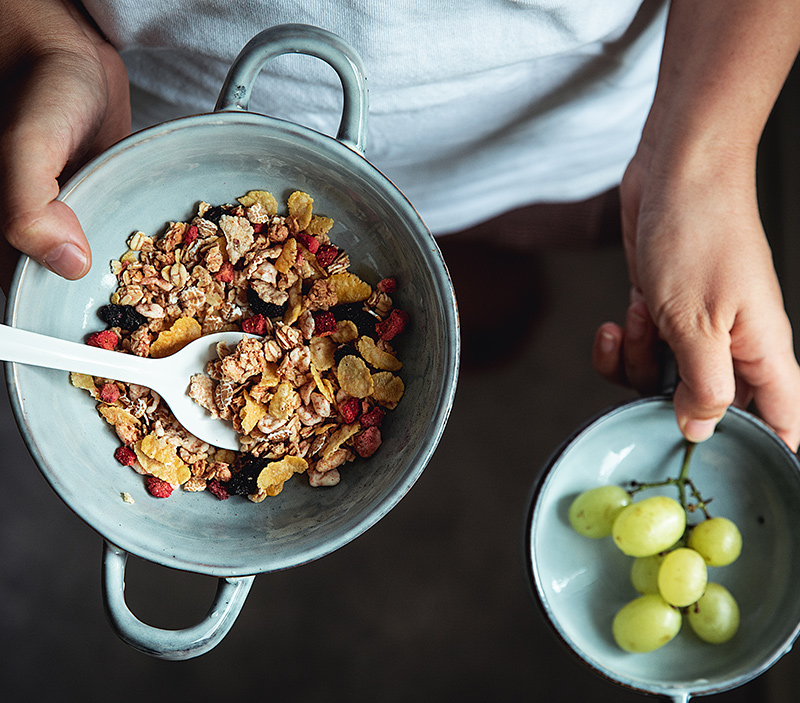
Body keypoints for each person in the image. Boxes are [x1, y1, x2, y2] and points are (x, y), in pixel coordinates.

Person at [2, 0, 800, 451]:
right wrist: (41, 34)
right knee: (426, 307)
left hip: (551, 130)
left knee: (478, 263)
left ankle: (462, 277)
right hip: (185, 117)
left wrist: (700, 164)